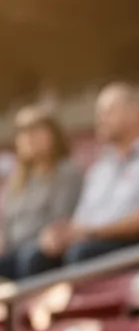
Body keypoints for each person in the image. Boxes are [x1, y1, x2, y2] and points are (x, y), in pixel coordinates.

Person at [22, 83, 139, 273]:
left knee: (80, 254)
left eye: (108, 111)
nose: (100, 119)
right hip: (97, 242)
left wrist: (93, 232)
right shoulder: (101, 169)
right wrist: (61, 234)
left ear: (135, 112)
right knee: (36, 257)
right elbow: (82, 219)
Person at [0, 107, 82, 280]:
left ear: (52, 135)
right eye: (23, 132)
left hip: (45, 250)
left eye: (35, 130)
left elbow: (60, 222)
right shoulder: (17, 182)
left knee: (30, 258)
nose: (29, 138)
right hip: (15, 249)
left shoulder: (67, 173)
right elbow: (8, 228)